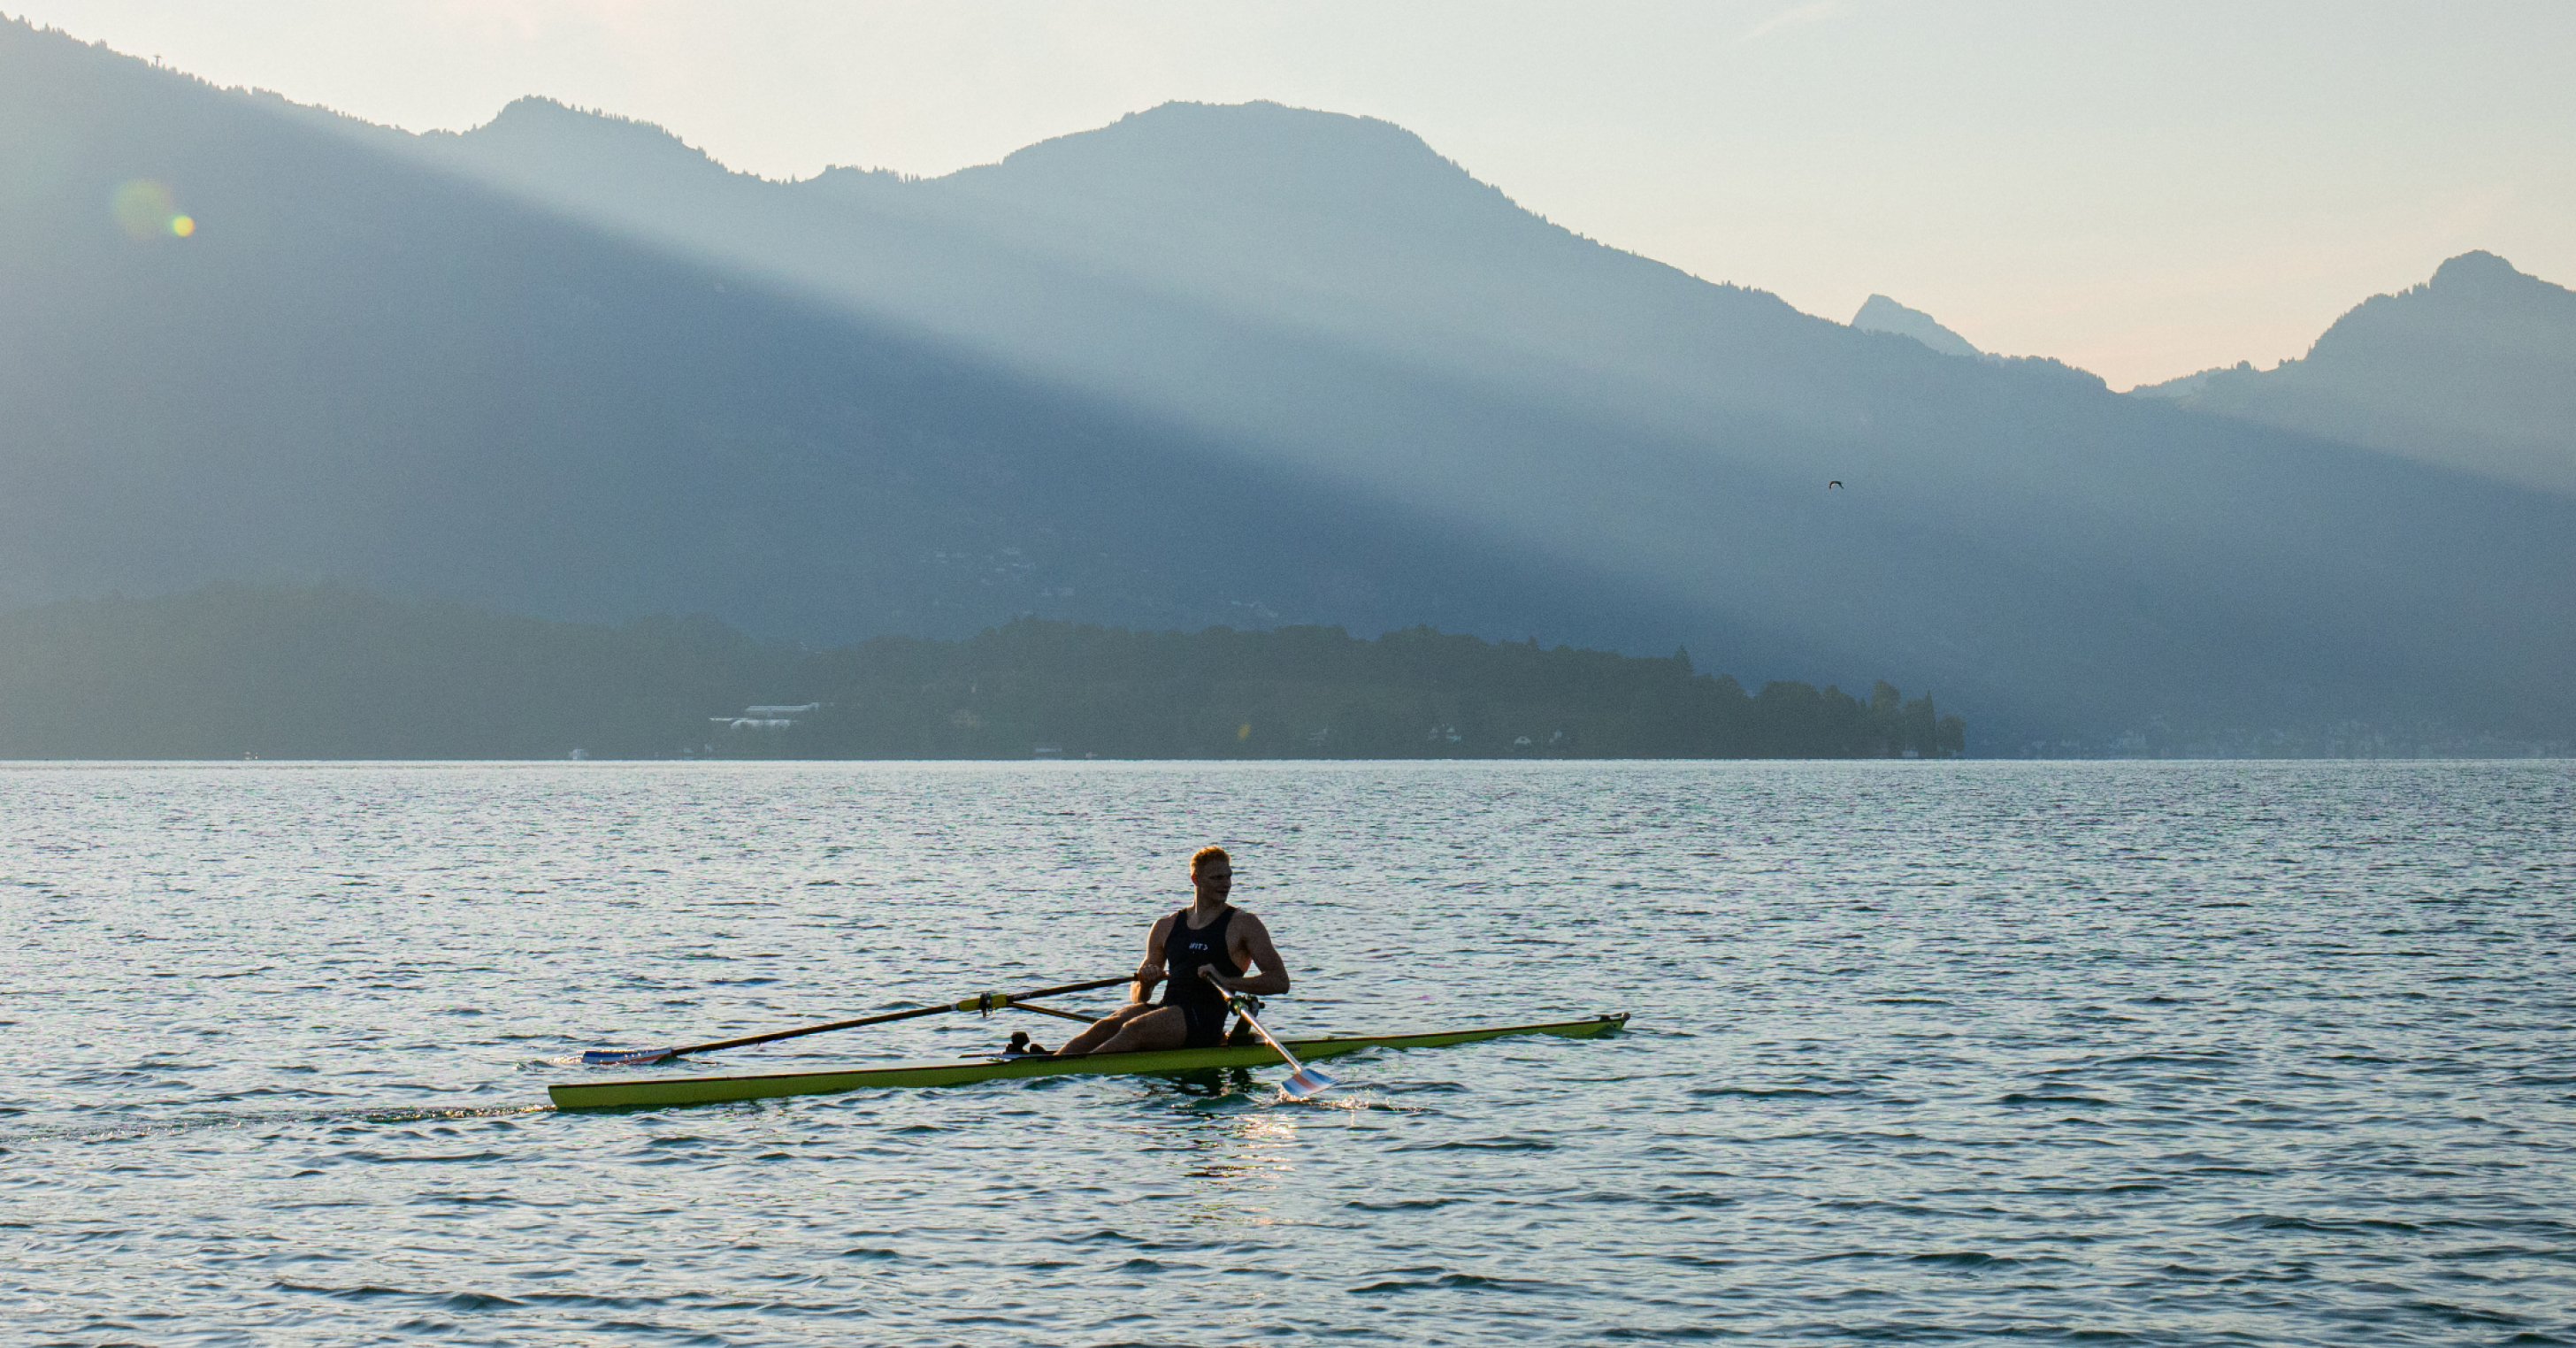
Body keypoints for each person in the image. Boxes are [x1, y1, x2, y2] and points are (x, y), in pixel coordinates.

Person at [1051, 846, 1291, 1056]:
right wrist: (1146, 982)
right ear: (1196, 879)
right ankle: (1051, 1066)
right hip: (1167, 1010)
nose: (1226, 884)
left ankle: (1078, 1070)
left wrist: (1226, 981)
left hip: (1204, 1018)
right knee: (1106, 1026)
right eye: (1217, 877)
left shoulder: (1244, 924)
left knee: (1133, 1029)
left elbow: (1280, 981)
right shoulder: (1165, 925)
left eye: (1229, 876)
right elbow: (1139, 997)